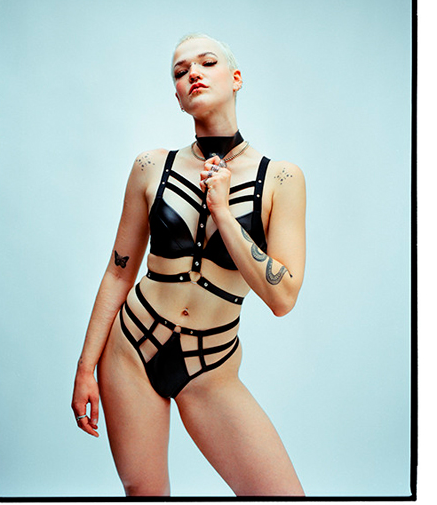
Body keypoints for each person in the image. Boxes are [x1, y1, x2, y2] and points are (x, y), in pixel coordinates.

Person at [71, 33, 306, 496]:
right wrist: (84, 368)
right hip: (131, 350)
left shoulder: (280, 179)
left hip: (210, 364)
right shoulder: (150, 167)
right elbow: (118, 271)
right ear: (178, 97)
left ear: (236, 78)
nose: (193, 72)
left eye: (207, 62)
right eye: (181, 71)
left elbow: (283, 298)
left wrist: (223, 212)